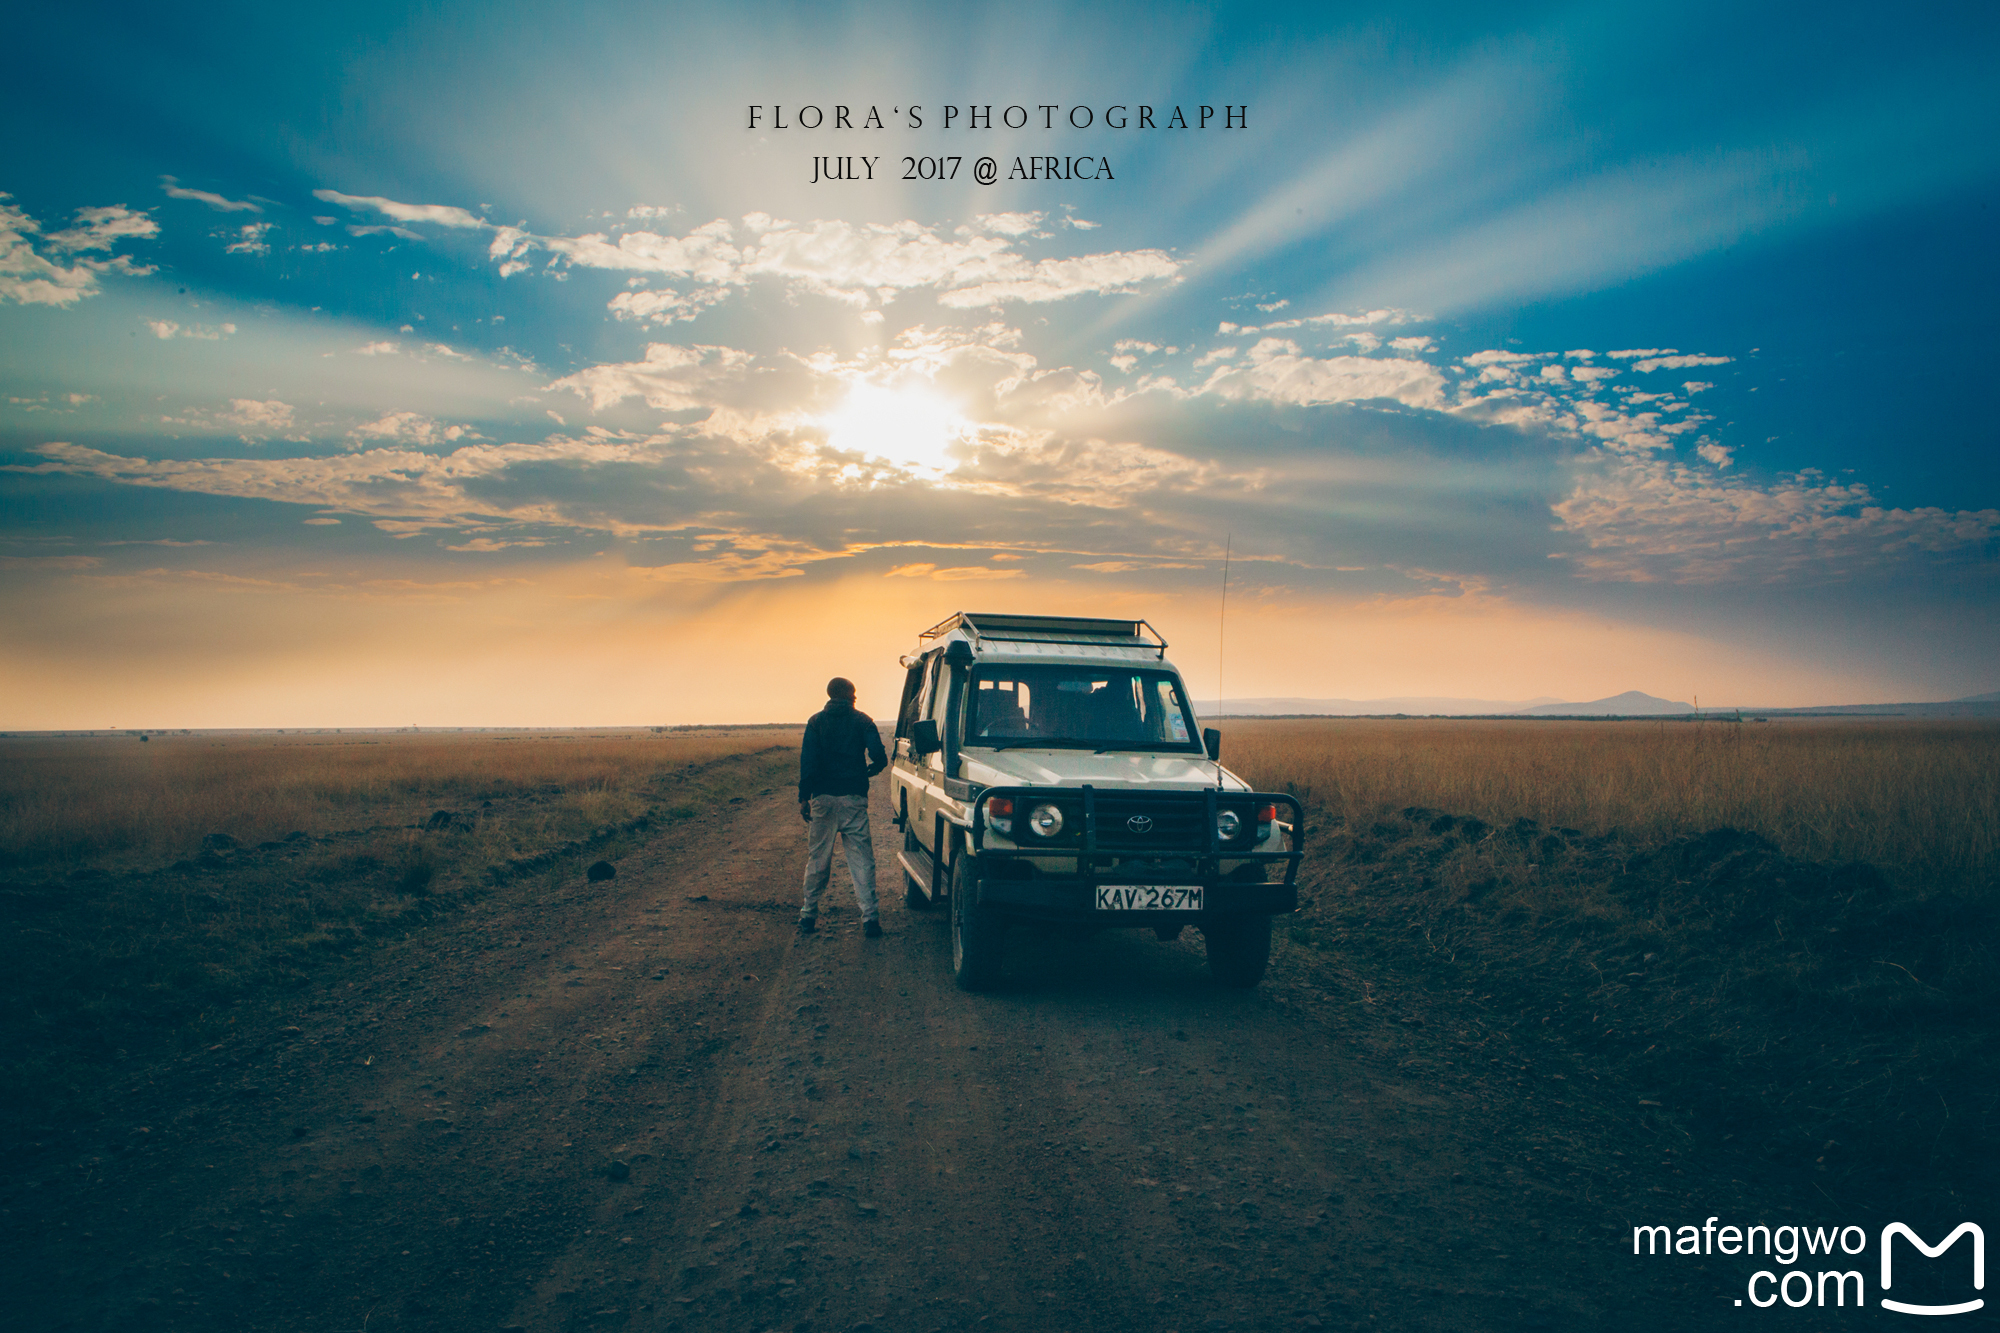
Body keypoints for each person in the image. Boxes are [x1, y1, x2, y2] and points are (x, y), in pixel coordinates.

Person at [797, 676, 888, 937]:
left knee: (818, 859)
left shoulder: (815, 722)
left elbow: (808, 762)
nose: (856, 697)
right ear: (849, 695)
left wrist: (804, 797)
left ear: (829, 695)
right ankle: (870, 919)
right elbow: (879, 756)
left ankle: (808, 915)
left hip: (823, 799)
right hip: (854, 799)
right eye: (854, 694)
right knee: (862, 860)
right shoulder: (863, 720)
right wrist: (870, 771)